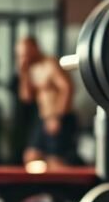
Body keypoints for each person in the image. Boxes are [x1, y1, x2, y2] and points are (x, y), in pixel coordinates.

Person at [16, 36, 81, 169]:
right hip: (43, 118)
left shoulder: (50, 64)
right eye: (20, 55)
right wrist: (24, 73)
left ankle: (64, 189)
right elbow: (26, 98)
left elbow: (67, 88)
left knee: (55, 161)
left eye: (26, 53)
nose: (24, 57)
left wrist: (57, 117)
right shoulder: (31, 69)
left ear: (35, 49)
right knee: (31, 156)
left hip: (60, 117)